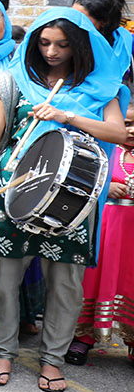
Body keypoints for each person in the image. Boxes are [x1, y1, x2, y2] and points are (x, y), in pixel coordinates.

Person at [0, 7, 130, 392]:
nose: (52, 51)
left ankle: (53, 360)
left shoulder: (99, 86)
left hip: (76, 198)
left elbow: (116, 132)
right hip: (16, 190)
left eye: (62, 44)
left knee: (66, 284)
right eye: (44, 43)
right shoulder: (12, 82)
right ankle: (3, 352)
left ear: (80, 45)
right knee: (5, 281)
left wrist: (67, 115)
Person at [69, 99, 134, 362]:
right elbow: (81, 183)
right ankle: (83, 337)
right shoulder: (104, 150)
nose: (130, 130)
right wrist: (106, 189)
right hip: (104, 231)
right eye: (127, 123)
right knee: (94, 280)